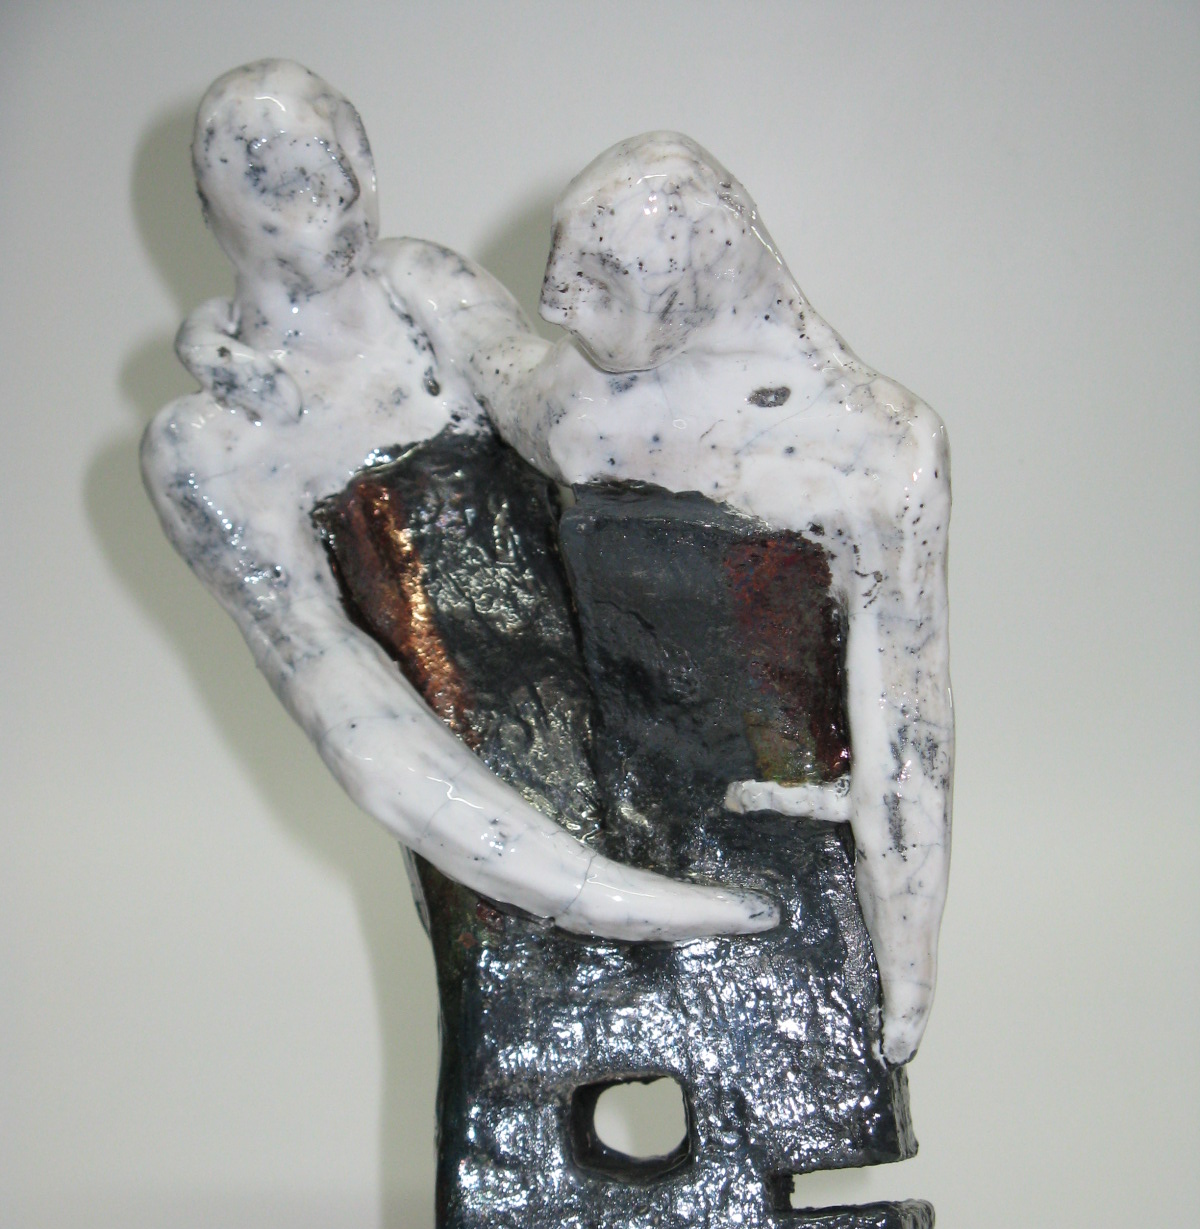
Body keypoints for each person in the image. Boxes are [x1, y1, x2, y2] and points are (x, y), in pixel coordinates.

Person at [142, 64, 775, 944]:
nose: (345, 191)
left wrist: (664, 295)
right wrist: (585, 890)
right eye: (290, 177)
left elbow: (559, 424)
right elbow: (336, 692)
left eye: (353, 152)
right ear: (218, 209)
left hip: (629, 705)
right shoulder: (211, 446)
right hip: (483, 815)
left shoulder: (421, 286)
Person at [406, 132, 953, 1063]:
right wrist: (412, 276)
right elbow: (489, 353)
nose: (556, 300)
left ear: (709, 271)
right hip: (601, 820)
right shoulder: (579, 406)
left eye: (601, 277)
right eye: (561, 263)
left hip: (782, 852)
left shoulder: (873, 449)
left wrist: (908, 950)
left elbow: (907, 705)